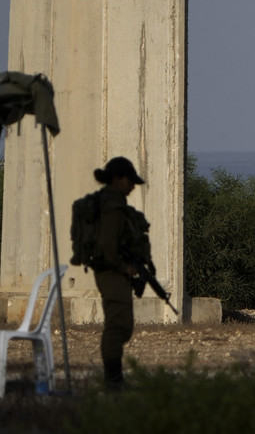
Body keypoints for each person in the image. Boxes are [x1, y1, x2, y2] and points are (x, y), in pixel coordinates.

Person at [91, 156, 150, 387]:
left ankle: (113, 377)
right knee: (118, 326)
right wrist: (123, 266)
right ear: (117, 179)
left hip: (112, 269)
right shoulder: (112, 206)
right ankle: (112, 379)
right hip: (111, 271)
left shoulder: (111, 203)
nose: (133, 186)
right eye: (129, 181)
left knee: (121, 324)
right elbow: (108, 245)